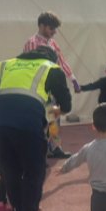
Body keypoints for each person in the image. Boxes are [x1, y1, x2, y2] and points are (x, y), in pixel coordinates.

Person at [0, 45, 71, 211]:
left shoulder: (6, 65)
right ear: (53, 59)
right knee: (34, 172)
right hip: (28, 123)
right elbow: (65, 106)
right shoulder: (51, 68)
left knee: (10, 172)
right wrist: (51, 111)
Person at [24, 11, 78, 159]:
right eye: (51, 28)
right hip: (37, 88)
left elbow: (61, 61)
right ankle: (36, 150)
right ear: (41, 26)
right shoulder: (32, 43)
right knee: (39, 119)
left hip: (51, 88)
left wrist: (72, 78)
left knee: (54, 118)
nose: (54, 32)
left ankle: (55, 147)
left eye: (55, 29)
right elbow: (30, 66)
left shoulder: (53, 43)